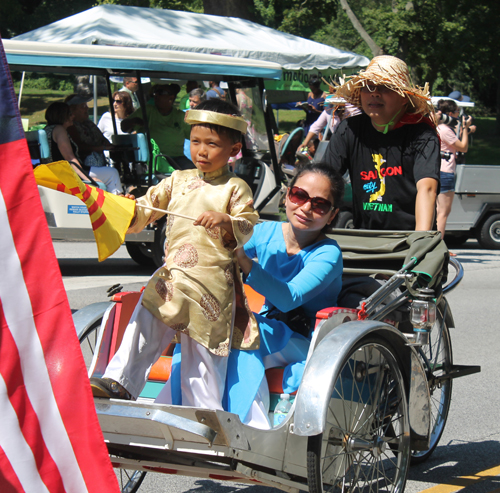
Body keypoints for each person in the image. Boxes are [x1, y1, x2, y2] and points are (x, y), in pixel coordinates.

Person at [90, 100, 260, 411]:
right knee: (148, 313)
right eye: (195, 142)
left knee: (202, 361)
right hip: (174, 277)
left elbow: (248, 224)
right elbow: (146, 206)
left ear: (234, 149)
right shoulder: (178, 179)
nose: (202, 152)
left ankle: (205, 419)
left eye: (212, 144)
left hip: (211, 286)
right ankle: (120, 382)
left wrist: (227, 222)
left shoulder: (236, 188)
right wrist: (127, 209)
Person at [223, 162, 344, 428]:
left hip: (307, 340)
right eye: (299, 196)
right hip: (269, 328)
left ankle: (248, 425)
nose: (306, 208)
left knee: (241, 334)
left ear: (332, 215)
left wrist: (244, 261)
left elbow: (290, 297)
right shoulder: (265, 232)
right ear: (287, 195)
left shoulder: (329, 254)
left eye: (320, 205)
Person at [325, 55, 440, 231]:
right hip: (364, 238)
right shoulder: (349, 129)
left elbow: (427, 189)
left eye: (385, 87)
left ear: (404, 98)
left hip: (408, 239)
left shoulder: (422, 134)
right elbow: (325, 178)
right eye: (368, 87)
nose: (375, 93)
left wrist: (420, 241)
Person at [44, 101, 123, 194]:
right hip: (65, 173)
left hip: (55, 171)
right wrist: (88, 178)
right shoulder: (60, 130)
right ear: (62, 116)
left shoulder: (47, 129)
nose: (73, 116)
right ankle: (118, 201)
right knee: (112, 173)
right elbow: (70, 159)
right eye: (69, 114)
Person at [121, 83, 194, 170]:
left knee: (195, 174)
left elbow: (194, 136)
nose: (156, 95)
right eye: (155, 93)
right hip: (154, 160)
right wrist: (133, 121)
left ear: (171, 97)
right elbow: (124, 127)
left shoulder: (180, 116)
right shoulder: (147, 111)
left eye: (161, 92)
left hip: (177, 158)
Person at [436, 98, 473, 242]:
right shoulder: (445, 130)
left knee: (440, 211)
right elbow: (463, 147)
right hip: (445, 172)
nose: (458, 114)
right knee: (443, 212)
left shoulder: (439, 128)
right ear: (450, 113)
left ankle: (436, 243)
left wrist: (465, 129)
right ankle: (438, 245)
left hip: (440, 171)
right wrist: (465, 128)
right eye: (457, 111)